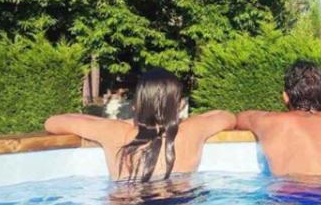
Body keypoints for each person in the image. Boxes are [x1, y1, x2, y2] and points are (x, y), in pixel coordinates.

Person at [45, 67, 235, 182]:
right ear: (178, 105)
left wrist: (125, 122)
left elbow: (52, 123)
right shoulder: (192, 130)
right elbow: (227, 117)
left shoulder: (115, 132)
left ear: (137, 103)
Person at [235, 60, 321, 180]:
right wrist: (314, 105)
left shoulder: (269, 121)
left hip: (297, 194)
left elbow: (239, 118)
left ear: (285, 96)